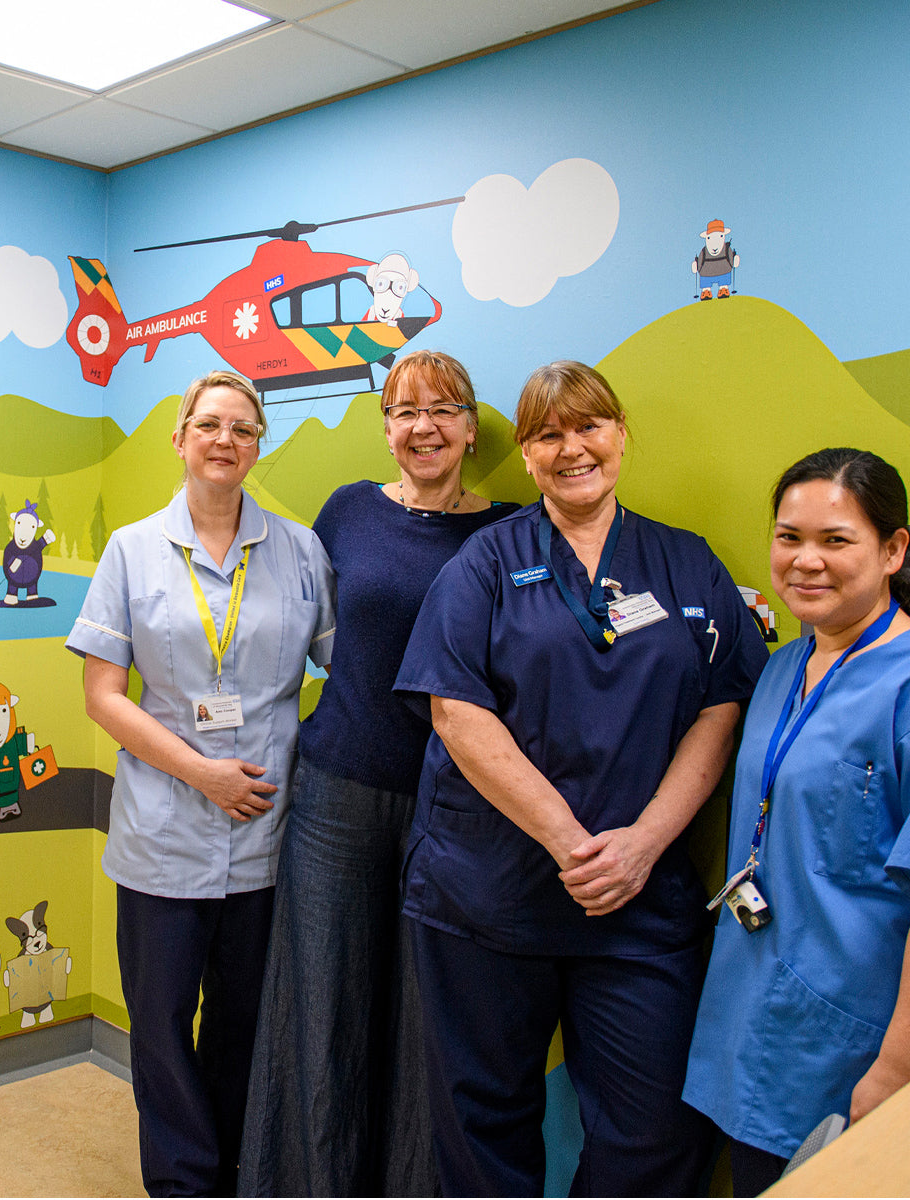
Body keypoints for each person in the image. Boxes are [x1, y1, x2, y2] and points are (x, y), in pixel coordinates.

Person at [393, 360, 770, 1197]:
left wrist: (640, 847)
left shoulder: (685, 563)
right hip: (489, 892)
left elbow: (724, 705)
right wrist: (573, 845)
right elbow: (455, 712)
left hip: (638, 900)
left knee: (658, 1131)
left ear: (621, 433)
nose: (573, 449)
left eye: (589, 426)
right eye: (548, 434)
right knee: (482, 1121)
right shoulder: (485, 563)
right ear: (526, 455)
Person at [239, 351, 511, 1196]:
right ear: (385, 426)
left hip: (454, 804)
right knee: (321, 1007)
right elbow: (285, 629)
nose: (422, 427)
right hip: (338, 789)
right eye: (403, 411)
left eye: (442, 410)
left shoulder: (507, 536)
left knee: (428, 1019)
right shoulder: (348, 514)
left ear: (471, 428)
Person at [65, 369, 335, 1197]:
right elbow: (102, 697)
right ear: (181, 437)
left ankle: (242, 1170)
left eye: (243, 429)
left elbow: (346, 669)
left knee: (244, 1023)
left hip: (267, 833)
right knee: (161, 1027)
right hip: (162, 836)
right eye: (210, 424)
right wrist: (202, 774)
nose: (226, 440)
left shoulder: (301, 550)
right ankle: (184, 1185)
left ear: (260, 446)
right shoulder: (132, 550)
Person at [683, 448, 910, 1196]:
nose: (806, 561)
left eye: (836, 540)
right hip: (755, 1025)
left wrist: (897, 1071)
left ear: (893, 550)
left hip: (862, 1046)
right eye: (789, 538)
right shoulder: (782, 667)